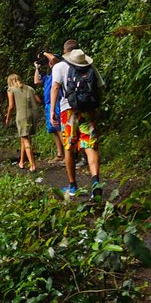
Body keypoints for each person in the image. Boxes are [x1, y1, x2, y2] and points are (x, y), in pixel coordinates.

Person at [50, 40, 105, 199]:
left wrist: (52, 110)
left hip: (69, 111)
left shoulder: (59, 66)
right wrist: (95, 108)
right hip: (88, 110)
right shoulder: (89, 65)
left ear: (65, 51)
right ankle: (95, 182)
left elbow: (55, 87)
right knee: (90, 145)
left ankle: (73, 186)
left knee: (69, 147)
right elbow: (99, 87)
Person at [5, 74, 40, 172]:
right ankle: (21, 161)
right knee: (24, 138)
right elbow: (38, 100)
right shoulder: (30, 88)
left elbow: (11, 106)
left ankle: (32, 165)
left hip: (22, 115)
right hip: (33, 114)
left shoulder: (11, 90)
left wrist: (8, 117)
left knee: (25, 139)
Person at [33, 52, 64, 163]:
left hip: (56, 103)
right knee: (54, 130)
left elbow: (54, 59)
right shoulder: (48, 76)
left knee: (59, 128)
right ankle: (60, 154)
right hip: (48, 104)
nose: (50, 62)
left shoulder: (59, 71)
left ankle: (68, 155)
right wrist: (37, 68)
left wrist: (43, 53)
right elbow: (36, 81)